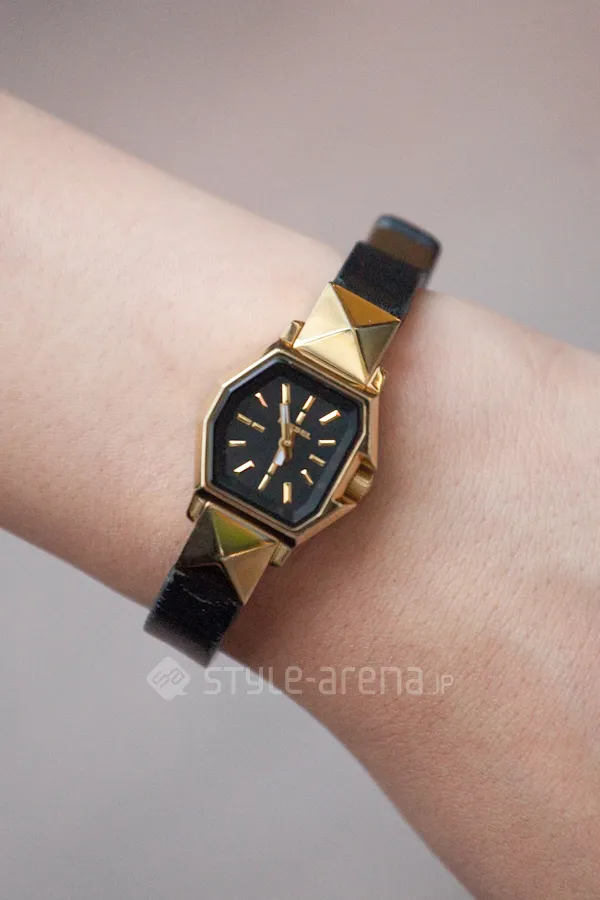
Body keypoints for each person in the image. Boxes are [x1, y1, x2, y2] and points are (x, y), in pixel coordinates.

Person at [1, 93, 599, 900]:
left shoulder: (327, 470)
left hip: (271, 507)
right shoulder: (251, 416)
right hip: (250, 496)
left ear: (352, 485)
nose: (286, 443)